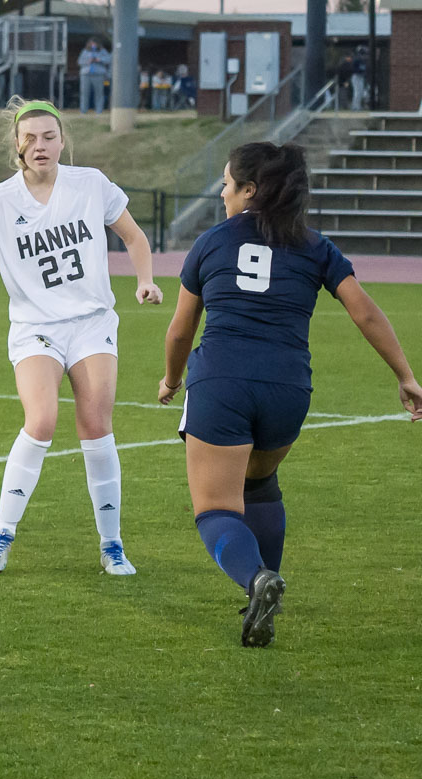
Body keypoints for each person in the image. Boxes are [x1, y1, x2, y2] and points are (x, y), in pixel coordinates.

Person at [158, 141, 422, 647]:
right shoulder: (316, 246)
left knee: (215, 509)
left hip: (222, 382)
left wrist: (172, 380)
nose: (222, 191)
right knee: (260, 484)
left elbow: (179, 331)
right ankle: (264, 593)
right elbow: (365, 311)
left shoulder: (212, 242)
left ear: (249, 191)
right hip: (288, 387)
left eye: (227, 183)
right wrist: (406, 375)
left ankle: (257, 580)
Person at [0, 97, 163, 576]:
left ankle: (112, 544)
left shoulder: (91, 184)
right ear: (16, 144)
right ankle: (1, 536)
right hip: (36, 327)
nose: (40, 146)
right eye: (31, 138)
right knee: (40, 421)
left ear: (62, 141)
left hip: (93, 322)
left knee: (96, 424)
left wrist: (144, 280)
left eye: (50, 137)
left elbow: (135, 237)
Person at [77, 38, 110, 114]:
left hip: (99, 74)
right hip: (86, 74)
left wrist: (100, 59)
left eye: (94, 44)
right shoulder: (85, 51)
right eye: (91, 44)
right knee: (84, 93)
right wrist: (88, 61)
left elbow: (108, 60)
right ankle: (83, 111)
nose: (93, 45)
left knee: (99, 93)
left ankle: (99, 111)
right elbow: (79, 61)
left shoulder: (103, 51)